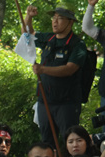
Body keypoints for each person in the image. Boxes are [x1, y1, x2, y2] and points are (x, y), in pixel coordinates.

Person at [25, 3, 87, 145]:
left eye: (60, 18)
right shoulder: (49, 38)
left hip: (67, 103)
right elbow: (27, 36)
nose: (55, 21)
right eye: (54, 17)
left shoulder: (77, 45)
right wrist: (29, 17)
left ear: (70, 22)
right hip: (45, 100)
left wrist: (43, 70)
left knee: (70, 141)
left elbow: (69, 69)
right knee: (46, 141)